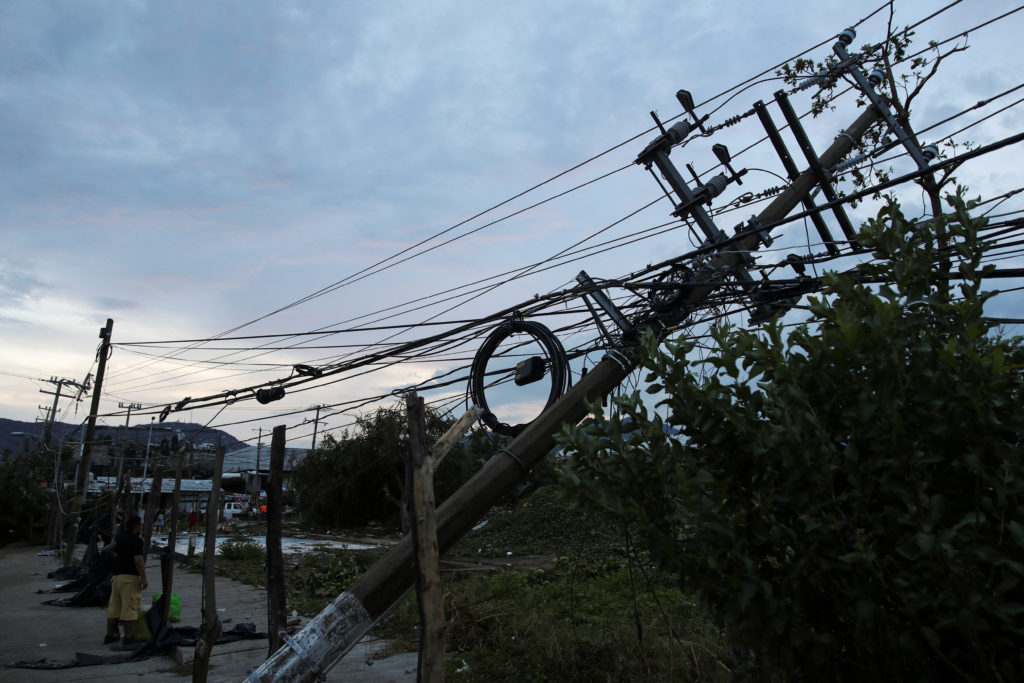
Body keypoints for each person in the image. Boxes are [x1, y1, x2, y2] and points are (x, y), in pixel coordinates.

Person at [103, 515, 149, 645]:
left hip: (116, 578)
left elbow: (106, 549)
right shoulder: (137, 541)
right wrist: (144, 578)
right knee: (130, 608)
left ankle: (109, 635)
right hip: (130, 578)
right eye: (140, 525)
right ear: (136, 527)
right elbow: (138, 560)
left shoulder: (120, 538)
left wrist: (117, 556)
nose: (141, 527)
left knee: (114, 608)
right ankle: (128, 637)